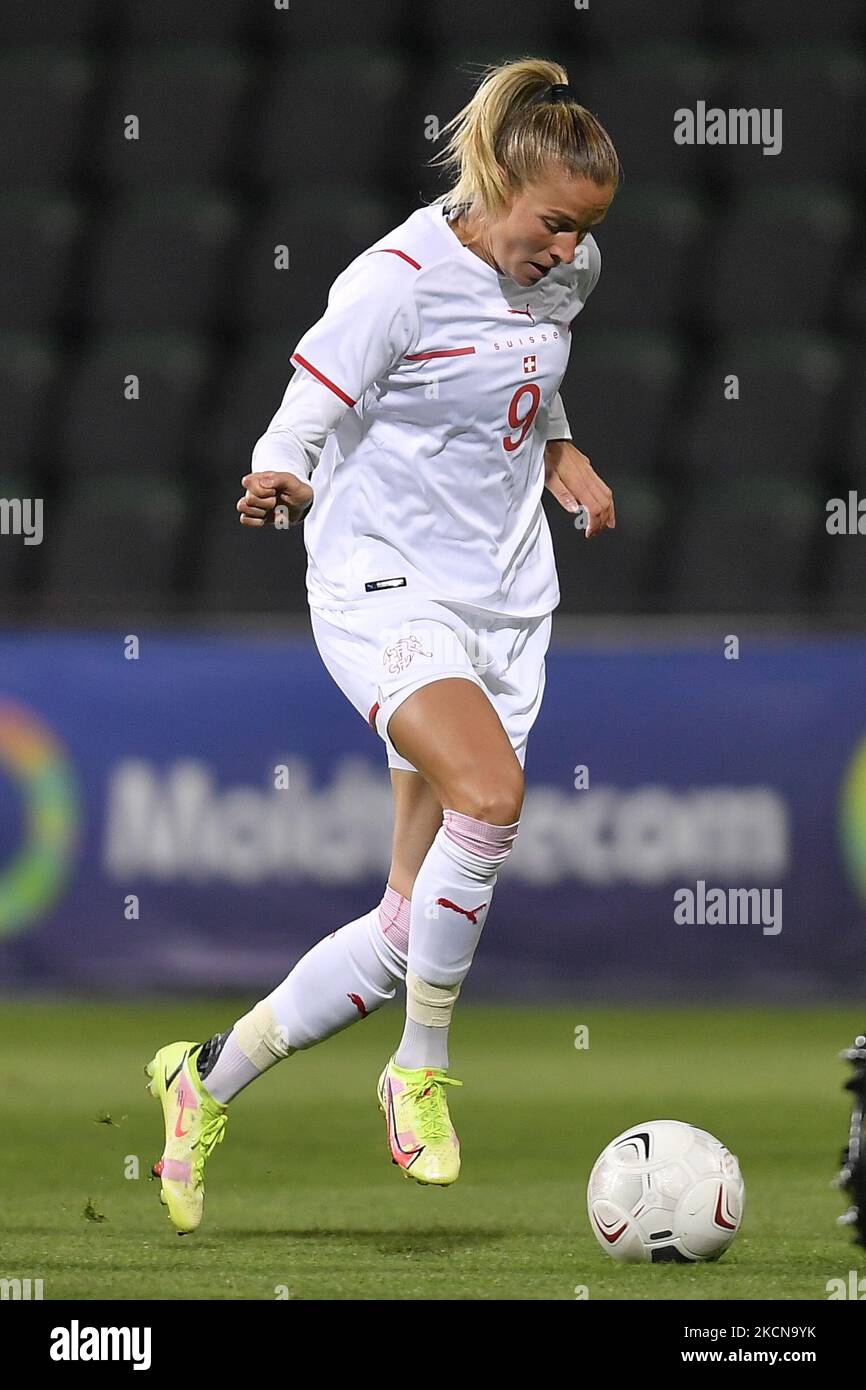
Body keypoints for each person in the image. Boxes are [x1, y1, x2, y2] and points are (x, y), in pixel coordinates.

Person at [145, 55, 619, 1234]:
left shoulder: (566, 269)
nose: (566, 252)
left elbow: (528, 375)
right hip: (380, 582)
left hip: (503, 597)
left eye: (582, 234)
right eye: (553, 225)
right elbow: (306, 404)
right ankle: (417, 1068)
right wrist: (279, 473)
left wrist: (558, 449)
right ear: (499, 179)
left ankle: (198, 1080)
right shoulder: (395, 280)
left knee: (407, 926)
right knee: (492, 795)